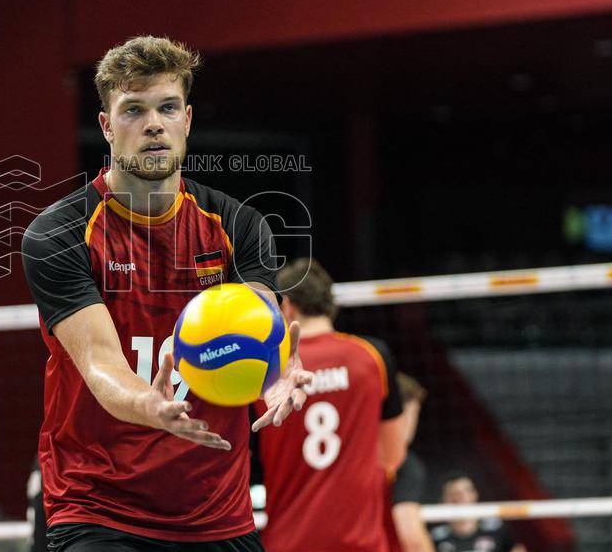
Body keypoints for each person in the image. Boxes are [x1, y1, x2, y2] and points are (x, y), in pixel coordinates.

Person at [20, 35, 312, 552]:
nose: (154, 122)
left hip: (217, 511)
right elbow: (100, 363)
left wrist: (276, 370)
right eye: (134, 109)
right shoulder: (58, 234)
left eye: (167, 107)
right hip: (99, 507)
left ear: (188, 120)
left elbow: (258, 319)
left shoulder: (240, 226)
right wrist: (148, 405)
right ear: (107, 125)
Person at [254, 258, 406, 552]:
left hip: (288, 540)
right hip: (361, 539)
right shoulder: (371, 356)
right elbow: (393, 455)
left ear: (287, 306)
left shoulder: (267, 370)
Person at [388, 373, 434, 552]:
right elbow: (411, 537)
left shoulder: (345, 453)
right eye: (415, 414)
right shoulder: (401, 461)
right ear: (404, 413)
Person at [431, 473, 526, 552]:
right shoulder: (435, 536)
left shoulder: (496, 527)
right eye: (453, 493)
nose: (461, 497)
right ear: (443, 500)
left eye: (467, 491)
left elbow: (517, 549)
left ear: (475, 494)